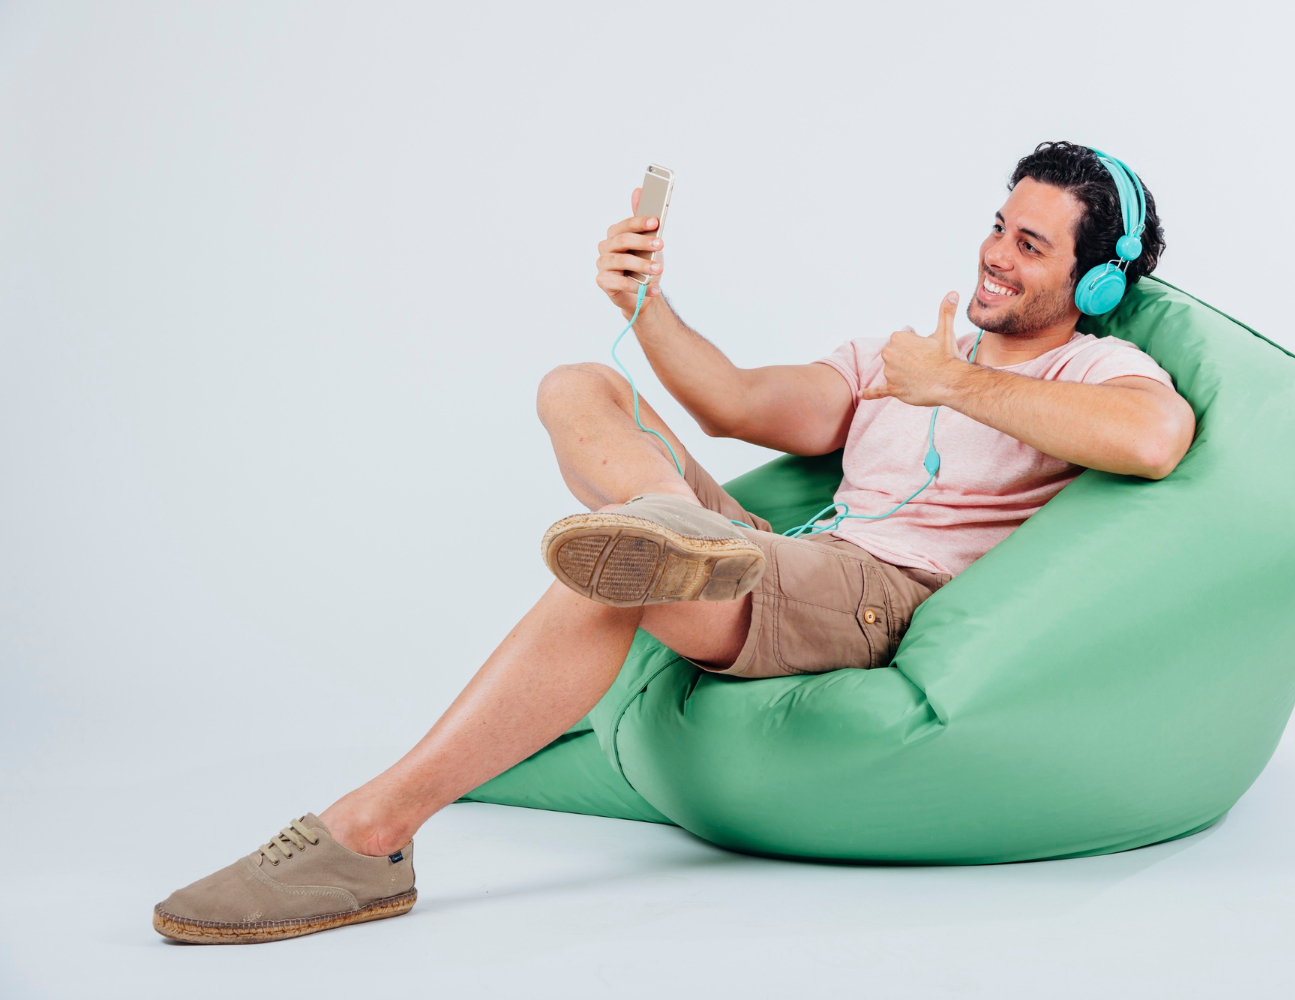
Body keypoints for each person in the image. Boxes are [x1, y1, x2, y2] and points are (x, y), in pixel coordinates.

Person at [153, 140, 1195, 944]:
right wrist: (647, 304)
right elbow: (736, 401)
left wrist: (957, 384)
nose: (994, 253)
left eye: (1030, 243)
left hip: (874, 590)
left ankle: (368, 836)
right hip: (763, 551)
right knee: (579, 385)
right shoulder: (900, 350)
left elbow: (1155, 440)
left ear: (1095, 281)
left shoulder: (1090, 370)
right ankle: (673, 526)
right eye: (997, 225)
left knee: (611, 576)